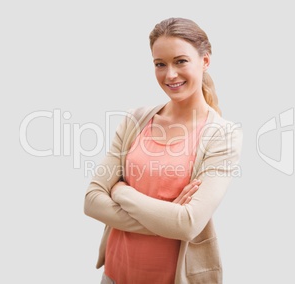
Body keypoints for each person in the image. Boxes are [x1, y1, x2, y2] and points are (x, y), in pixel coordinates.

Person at [84, 17, 243, 284]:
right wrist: (167, 217)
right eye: (160, 64)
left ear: (204, 61)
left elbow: (188, 224)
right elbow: (91, 201)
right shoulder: (135, 120)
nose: (170, 74)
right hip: (114, 274)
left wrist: (122, 192)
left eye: (180, 61)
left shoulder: (223, 135)